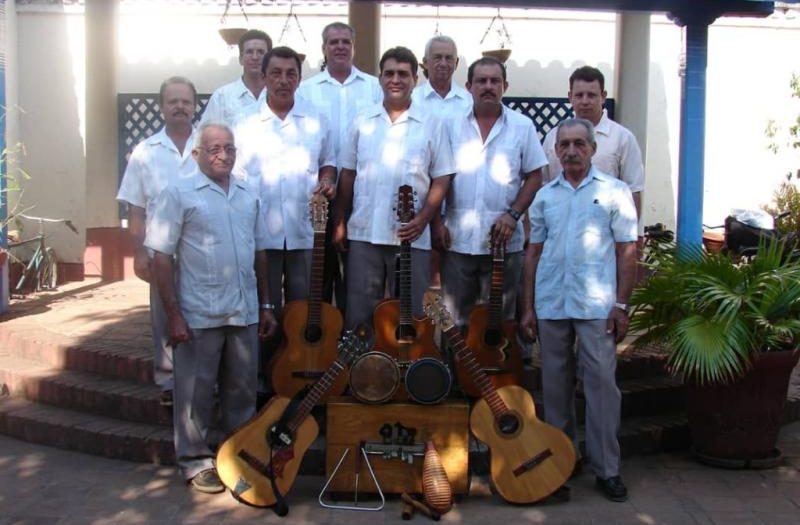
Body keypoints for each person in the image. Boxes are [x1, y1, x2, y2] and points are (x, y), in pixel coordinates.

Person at [146, 122, 278, 494]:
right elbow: (160, 258)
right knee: (195, 394)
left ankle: (237, 455)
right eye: (214, 148)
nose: (223, 155)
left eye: (229, 148)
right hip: (198, 313)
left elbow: (260, 251)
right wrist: (173, 314)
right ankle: (194, 461)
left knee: (242, 392)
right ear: (197, 154)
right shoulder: (178, 193)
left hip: (244, 310)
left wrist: (266, 303)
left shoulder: (247, 195)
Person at [521, 118, 638, 503]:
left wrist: (622, 304)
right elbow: (532, 253)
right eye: (564, 145)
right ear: (555, 151)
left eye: (578, 144)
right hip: (552, 302)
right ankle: (561, 463)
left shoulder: (615, 192)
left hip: (596, 305)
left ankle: (607, 469)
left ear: (591, 148)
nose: (571, 151)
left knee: (601, 385)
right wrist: (528, 308)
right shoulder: (544, 197)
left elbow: (627, 251)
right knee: (555, 388)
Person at [333, 46, 455, 332]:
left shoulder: (432, 124)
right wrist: (340, 220)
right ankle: (362, 375)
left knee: (410, 318)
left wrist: (424, 220)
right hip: (365, 231)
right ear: (380, 78)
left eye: (403, 74)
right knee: (360, 318)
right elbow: (348, 174)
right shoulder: (361, 121)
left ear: (415, 79)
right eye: (389, 73)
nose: (395, 80)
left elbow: (441, 178)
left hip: (413, 236)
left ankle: (406, 375)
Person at [233, 46, 336, 363]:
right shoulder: (244, 123)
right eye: (275, 73)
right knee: (265, 308)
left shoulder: (316, 120)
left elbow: (328, 164)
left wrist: (328, 181)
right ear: (263, 77)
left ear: (299, 78)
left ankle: (298, 368)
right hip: (259, 232)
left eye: (291, 73)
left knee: (303, 307)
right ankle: (265, 374)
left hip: (305, 230)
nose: (283, 80)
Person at [436, 57, 545, 331]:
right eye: (481, 81)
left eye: (494, 81)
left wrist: (513, 215)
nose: (488, 86)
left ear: (504, 86)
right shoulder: (449, 125)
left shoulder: (523, 126)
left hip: (505, 245)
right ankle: (457, 374)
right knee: (455, 324)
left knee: (500, 324)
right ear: (469, 86)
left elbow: (535, 176)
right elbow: (437, 175)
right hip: (457, 242)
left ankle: (497, 375)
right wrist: (436, 222)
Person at [115, 76, 198, 406]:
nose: (180, 107)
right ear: (162, 107)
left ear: (194, 106)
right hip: (160, 252)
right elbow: (136, 208)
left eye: (186, 101)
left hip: (201, 250)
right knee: (165, 314)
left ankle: (202, 379)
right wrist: (138, 253)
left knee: (201, 315)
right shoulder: (145, 152)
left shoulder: (207, 148)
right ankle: (168, 383)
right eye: (173, 101)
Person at [297, 22, 382, 311]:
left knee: (359, 279)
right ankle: (320, 343)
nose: (340, 46)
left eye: (346, 41)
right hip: (320, 196)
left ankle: (353, 343)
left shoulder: (373, 87)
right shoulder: (306, 90)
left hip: (363, 196)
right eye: (333, 42)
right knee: (320, 275)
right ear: (323, 48)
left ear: (354, 46)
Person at [541, 66, 644, 221]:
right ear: (570, 97)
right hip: (559, 231)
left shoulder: (622, 138)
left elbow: (633, 191)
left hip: (606, 234)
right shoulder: (553, 137)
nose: (585, 101)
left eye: (591, 95)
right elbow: (543, 186)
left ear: (603, 96)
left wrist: (632, 236)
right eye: (579, 95)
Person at [201, 29, 272, 126]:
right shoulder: (221, 97)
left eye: (260, 52)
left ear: (270, 60)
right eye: (249, 52)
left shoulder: (279, 95)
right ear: (240, 59)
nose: (255, 57)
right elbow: (205, 135)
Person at [410, 35, 472, 118]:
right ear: (425, 62)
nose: (443, 64)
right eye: (437, 58)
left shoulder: (469, 102)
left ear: (456, 63)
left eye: (448, 58)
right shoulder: (412, 100)